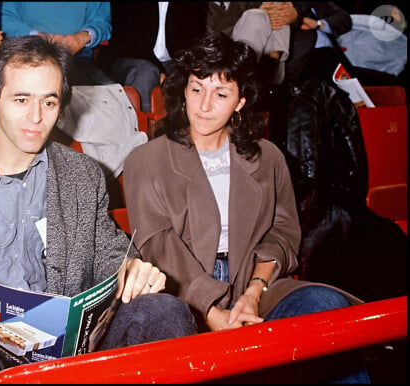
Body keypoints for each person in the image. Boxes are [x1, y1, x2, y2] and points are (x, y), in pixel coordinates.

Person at [0, 35, 196, 384]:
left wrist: (131, 270)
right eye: (21, 100)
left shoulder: (84, 176)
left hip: (71, 350)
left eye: (49, 102)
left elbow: (108, 251)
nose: (36, 118)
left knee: (164, 312)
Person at [122, 31, 371, 383]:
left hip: (256, 284)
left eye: (221, 94)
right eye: (196, 89)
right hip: (183, 294)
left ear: (240, 101)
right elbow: (157, 243)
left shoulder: (267, 156)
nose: (204, 105)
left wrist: (254, 293)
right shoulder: (145, 160)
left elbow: (282, 232)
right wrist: (209, 307)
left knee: (325, 307)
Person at [95, 2, 208, 112]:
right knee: (146, 73)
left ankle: (178, 128)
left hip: (171, 61)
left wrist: (179, 71)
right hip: (128, 57)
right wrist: (160, 71)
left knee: (195, 77)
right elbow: (128, 39)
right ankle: (140, 127)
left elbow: (192, 42)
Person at [1, 2, 115, 86]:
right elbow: (6, 20)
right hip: (25, 56)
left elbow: (102, 22)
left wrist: (80, 38)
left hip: (76, 61)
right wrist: (40, 38)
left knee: (111, 100)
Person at [207, 2, 298, 85]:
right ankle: (246, 82)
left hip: (259, 59)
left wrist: (294, 15)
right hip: (221, 60)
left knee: (277, 6)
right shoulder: (199, 8)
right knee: (256, 17)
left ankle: (273, 64)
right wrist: (252, 19)